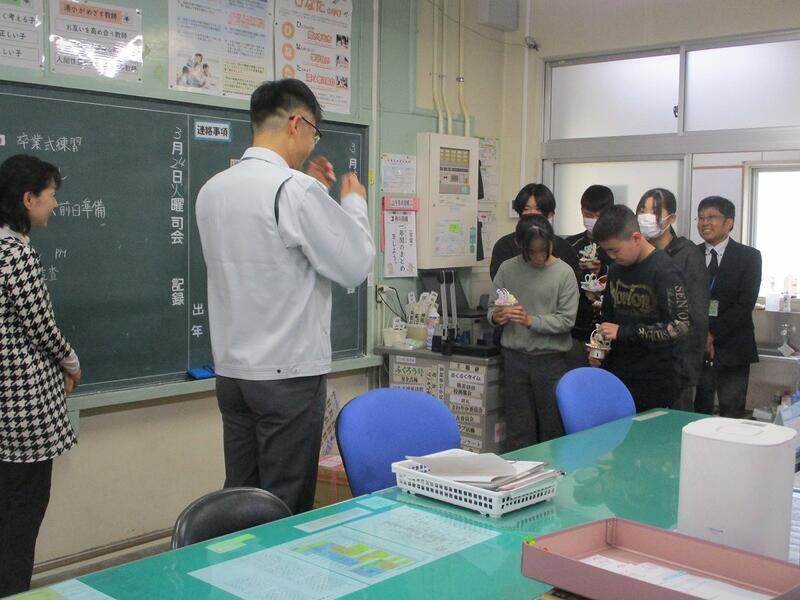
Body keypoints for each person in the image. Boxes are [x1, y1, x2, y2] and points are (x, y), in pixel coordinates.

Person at [195, 79, 374, 514]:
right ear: (297, 124)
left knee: (241, 496)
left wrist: (311, 194)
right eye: (315, 133)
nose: (312, 145)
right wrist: (353, 204)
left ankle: (235, 560)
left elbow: (269, 251)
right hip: (288, 374)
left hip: (233, 374)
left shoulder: (213, 188)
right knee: (284, 505)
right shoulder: (293, 190)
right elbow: (355, 263)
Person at [0, 154, 81, 596]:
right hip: (22, 415)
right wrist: (72, 361)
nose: (55, 204)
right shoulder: (16, 255)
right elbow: (41, 327)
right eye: (51, 195)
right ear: (28, 199)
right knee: (21, 520)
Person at [489, 215, 578, 449]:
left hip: (550, 360)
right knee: (518, 429)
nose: (538, 257)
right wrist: (497, 316)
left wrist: (531, 321)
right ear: (519, 245)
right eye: (532, 252)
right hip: (514, 358)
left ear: (551, 243)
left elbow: (566, 320)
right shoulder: (508, 269)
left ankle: (557, 470)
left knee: (553, 428)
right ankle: (520, 471)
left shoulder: (564, 273)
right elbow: (494, 306)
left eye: (543, 251)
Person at [590, 205, 691, 413]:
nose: (611, 256)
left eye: (615, 250)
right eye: (607, 251)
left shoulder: (665, 271)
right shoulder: (616, 270)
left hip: (655, 378)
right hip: (619, 373)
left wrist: (625, 332)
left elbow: (679, 327)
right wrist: (599, 348)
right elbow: (608, 318)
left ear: (636, 238)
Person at [636, 188, 708, 411]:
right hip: (643, 360)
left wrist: (687, 368)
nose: (646, 217)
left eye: (654, 211)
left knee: (675, 422)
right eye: (642, 211)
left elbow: (695, 315)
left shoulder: (687, 254)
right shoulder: (640, 253)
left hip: (676, 365)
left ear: (672, 218)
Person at [694, 196, 761, 418]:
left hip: (734, 346)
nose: (705, 223)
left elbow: (745, 304)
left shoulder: (749, 257)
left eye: (711, 217)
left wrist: (712, 333)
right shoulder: (690, 255)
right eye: (701, 217)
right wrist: (701, 335)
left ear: (729, 222)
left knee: (732, 412)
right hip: (697, 348)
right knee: (699, 411)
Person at [565, 185, 614, 366]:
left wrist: (602, 271)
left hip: (611, 331)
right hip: (576, 329)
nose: (593, 220)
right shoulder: (570, 245)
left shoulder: (618, 245)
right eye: (588, 215)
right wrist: (578, 273)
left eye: (598, 215)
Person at [489, 183, 579, 280]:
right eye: (526, 209)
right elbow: (499, 281)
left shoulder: (564, 247)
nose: (532, 213)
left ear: (550, 213)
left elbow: (573, 280)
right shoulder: (504, 245)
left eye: (538, 209)